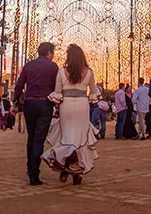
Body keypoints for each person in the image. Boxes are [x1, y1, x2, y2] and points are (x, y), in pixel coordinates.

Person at [42, 44, 99, 185]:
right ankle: (77, 172)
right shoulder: (89, 72)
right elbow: (93, 92)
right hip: (82, 105)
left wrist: (56, 107)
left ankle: (65, 168)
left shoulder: (62, 71)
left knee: (67, 136)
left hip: (66, 105)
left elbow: (57, 92)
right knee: (80, 138)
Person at [12, 42, 58, 186]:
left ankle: (30, 168)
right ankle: (34, 173)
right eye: (53, 52)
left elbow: (19, 84)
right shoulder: (53, 67)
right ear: (49, 52)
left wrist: (15, 102)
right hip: (45, 104)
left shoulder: (29, 65)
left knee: (31, 138)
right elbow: (57, 87)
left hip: (30, 103)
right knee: (39, 139)